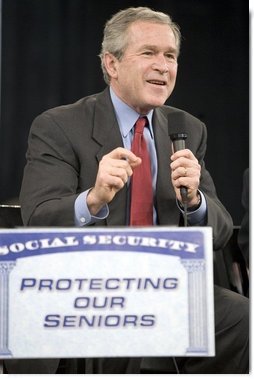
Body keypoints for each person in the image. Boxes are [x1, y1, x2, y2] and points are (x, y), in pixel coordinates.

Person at [5, 6, 248, 374]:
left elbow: (222, 231)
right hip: (89, 291)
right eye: (149, 53)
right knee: (131, 326)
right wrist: (94, 198)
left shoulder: (187, 128)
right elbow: (37, 216)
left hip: (166, 287)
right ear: (112, 64)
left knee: (242, 318)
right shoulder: (59, 126)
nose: (163, 66)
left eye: (170, 56)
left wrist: (195, 201)